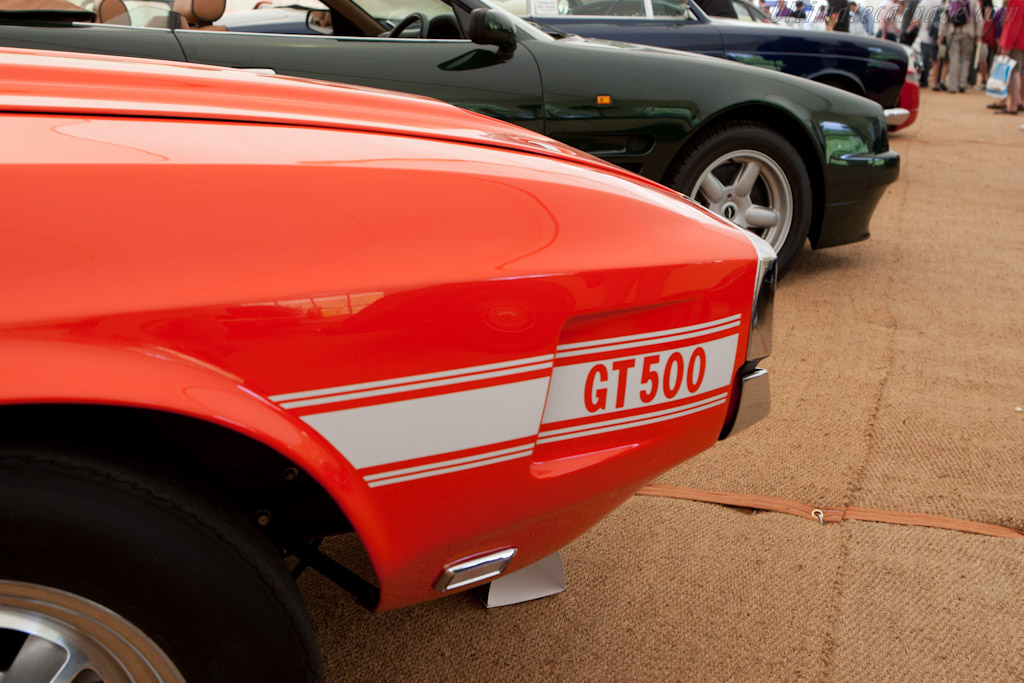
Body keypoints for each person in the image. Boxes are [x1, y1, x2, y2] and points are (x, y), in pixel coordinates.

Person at [939, 0, 982, 92]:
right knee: (965, 58)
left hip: (952, 32)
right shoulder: (974, 1)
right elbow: (979, 18)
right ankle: (962, 83)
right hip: (968, 33)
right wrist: (978, 34)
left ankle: (952, 86)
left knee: (953, 58)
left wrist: (941, 33)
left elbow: (944, 17)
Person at [996, 0, 1024, 113]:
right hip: (1021, 41)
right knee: (1019, 71)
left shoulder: (1016, 1)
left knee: (1014, 72)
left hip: (1016, 42)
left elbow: (1013, 25)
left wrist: (1006, 45)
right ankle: (1018, 101)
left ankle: (1013, 105)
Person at [918, 0, 943, 86]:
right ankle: (938, 81)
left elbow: (916, 20)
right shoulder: (940, 3)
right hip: (938, 36)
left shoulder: (923, 3)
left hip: (925, 36)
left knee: (925, 59)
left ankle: (924, 80)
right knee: (937, 60)